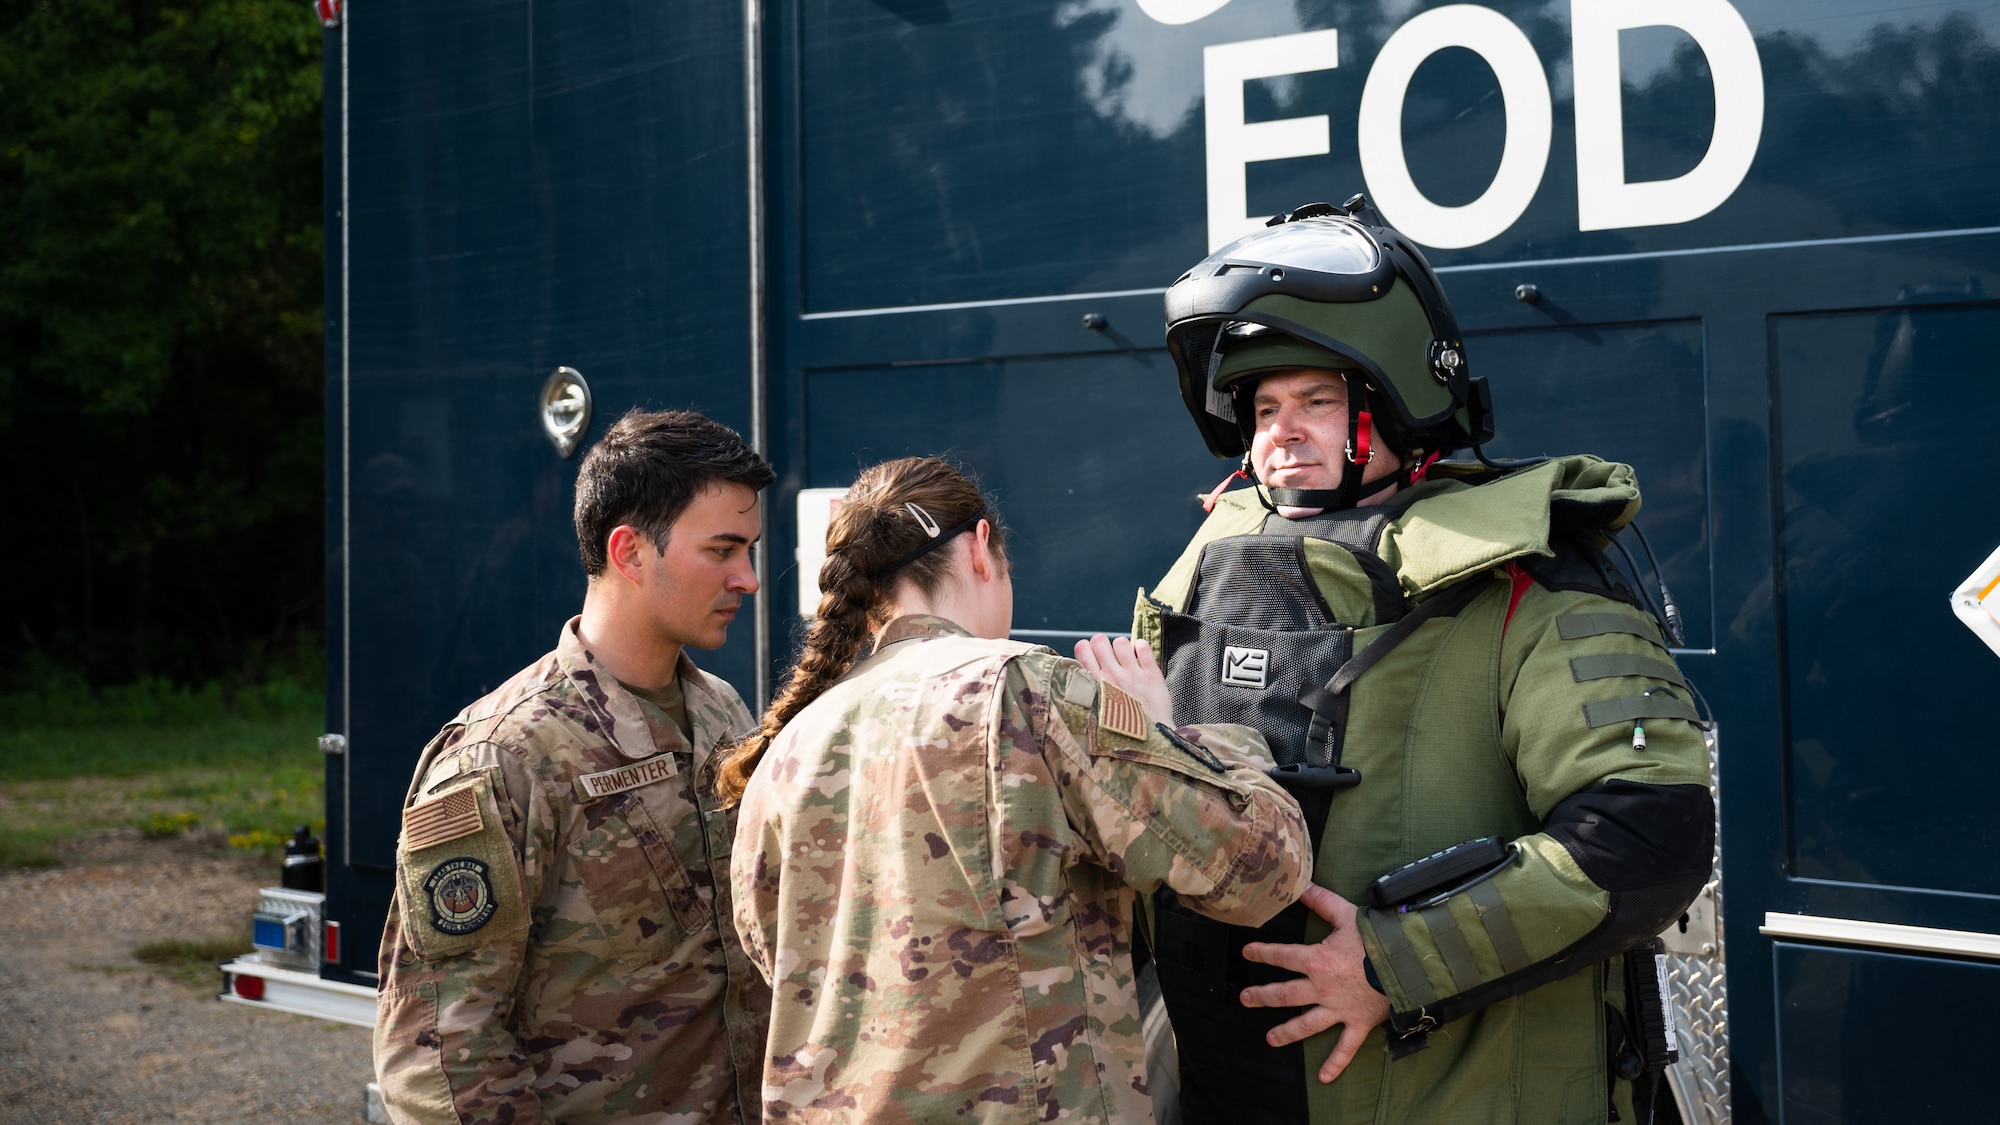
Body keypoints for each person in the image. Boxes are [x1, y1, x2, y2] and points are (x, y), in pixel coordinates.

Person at [1113, 199, 1716, 1124]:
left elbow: (1647, 833)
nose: (1281, 431)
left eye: (1316, 400)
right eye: (1264, 407)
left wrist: (1395, 963)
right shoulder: (1202, 572)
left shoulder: (1532, 587)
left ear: (1398, 399)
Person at [714, 456, 1313, 1124]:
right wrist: (1173, 732)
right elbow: (1264, 867)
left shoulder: (789, 744)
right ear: (978, 549)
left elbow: (777, 958)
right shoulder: (1025, 691)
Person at [373, 409, 776, 1125]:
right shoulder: (505, 756)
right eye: (722, 549)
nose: (747, 577)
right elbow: (438, 1047)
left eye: (749, 550)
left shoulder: (722, 713)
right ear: (628, 551)